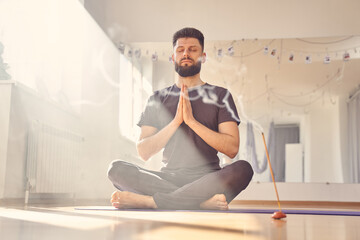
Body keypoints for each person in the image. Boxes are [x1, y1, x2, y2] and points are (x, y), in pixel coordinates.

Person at [107, 27, 253, 210]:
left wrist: (192, 121)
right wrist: (176, 122)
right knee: (116, 169)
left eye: (193, 49)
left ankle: (151, 202)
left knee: (243, 169)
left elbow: (232, 149)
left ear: (203, 56)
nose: (186, 54)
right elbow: (143, 151)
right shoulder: (157, 99)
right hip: (168, 177)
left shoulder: (221, 96)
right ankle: (200, 203)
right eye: (180, 50)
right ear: (173, 56)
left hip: (208, 178)